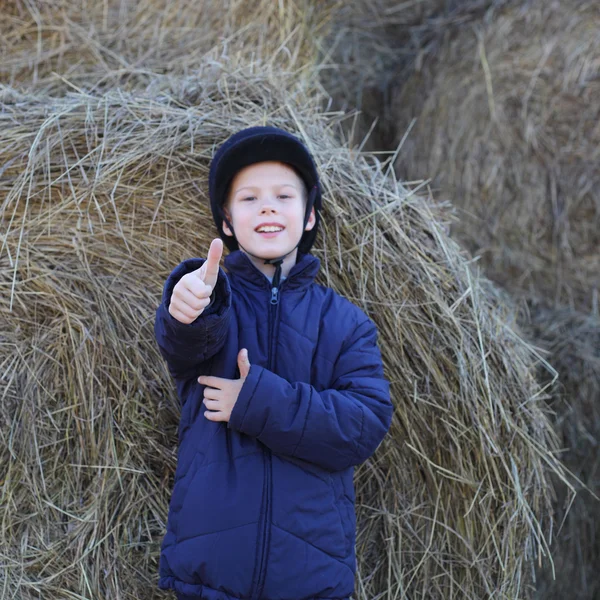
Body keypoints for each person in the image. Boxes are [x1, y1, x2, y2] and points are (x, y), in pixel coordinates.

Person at [154, 126, 393, 600]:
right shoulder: (214, 302)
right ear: (226, 221)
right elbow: (185, 341)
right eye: (249, 198)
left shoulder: (346, 324)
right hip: (209, 578)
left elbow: (364, 422)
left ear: (308, 218)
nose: (267, 207)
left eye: (284, 195)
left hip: (310, 579)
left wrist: (256, 401)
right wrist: (184, 302)